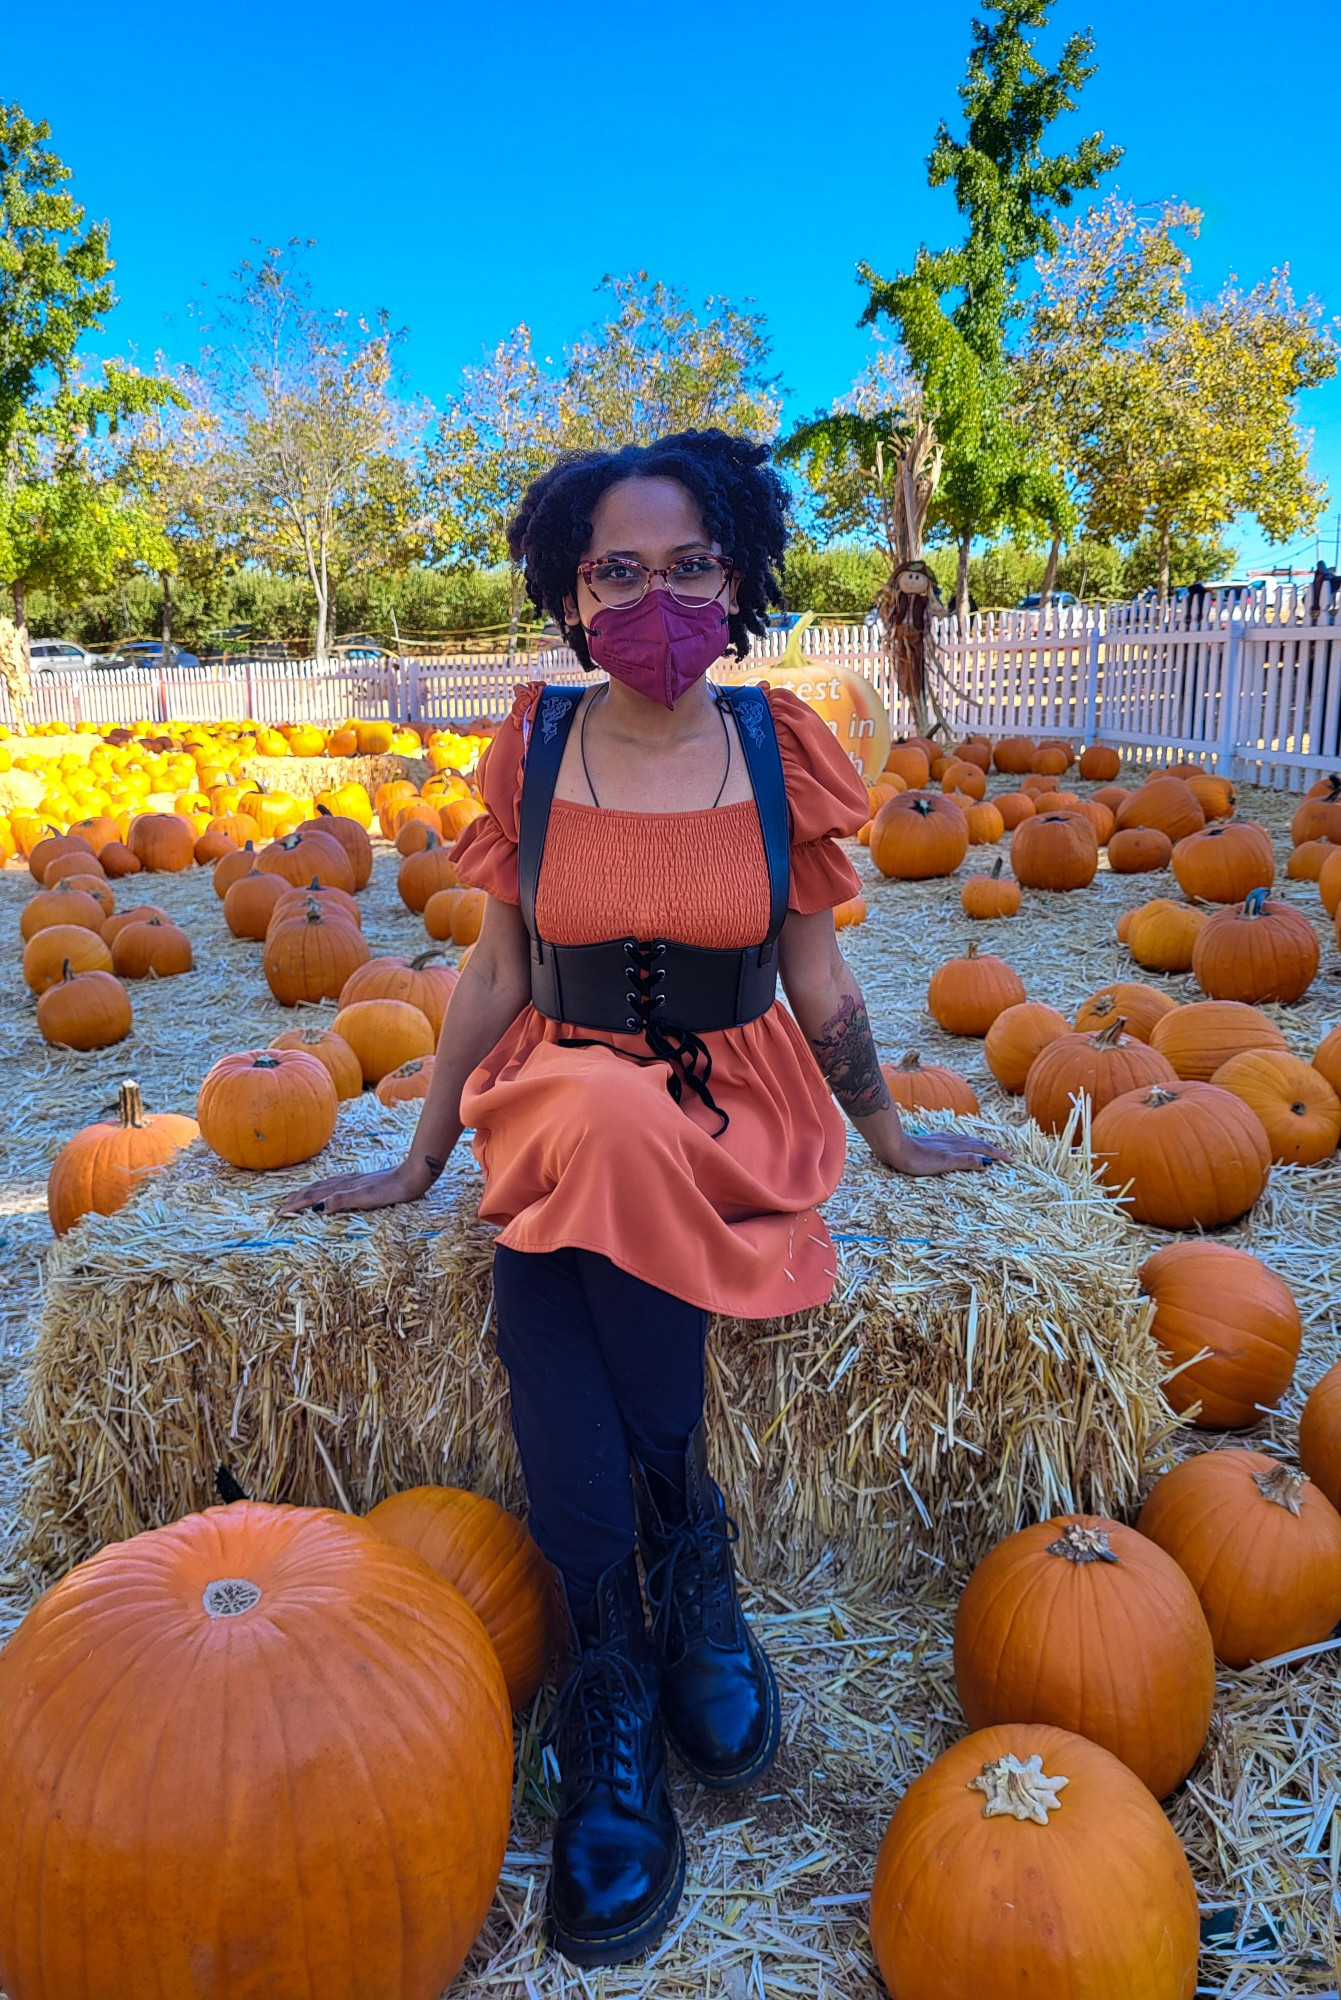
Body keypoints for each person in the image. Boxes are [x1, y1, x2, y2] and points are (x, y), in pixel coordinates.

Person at [281, 429, 1008, 1967]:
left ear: (735, 577)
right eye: (618, 569)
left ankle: (614, 1629)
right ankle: (665, 1594)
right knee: (594, 1114)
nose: (655, 597)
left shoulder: (778, 747)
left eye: (689, 567)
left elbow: (812, 971)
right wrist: (417, 1155)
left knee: (568, 1209)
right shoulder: (533, 745)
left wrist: (883, 1130)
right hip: (565, 1086)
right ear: (567, 585)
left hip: (731, 1109)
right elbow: (493, 970)